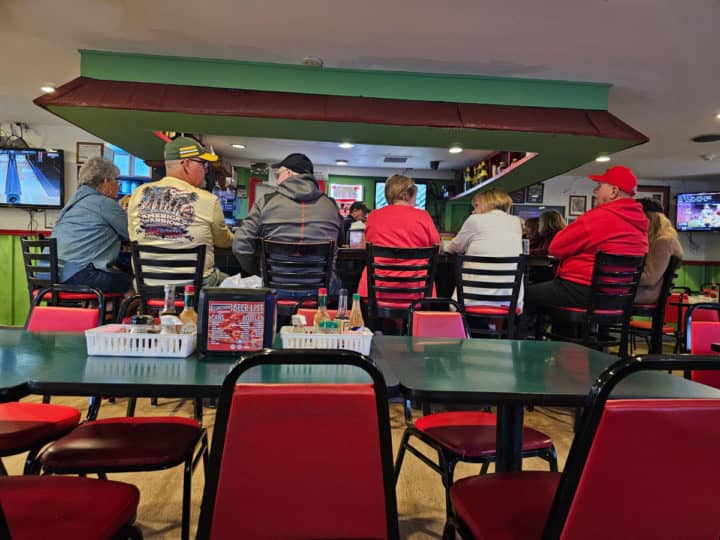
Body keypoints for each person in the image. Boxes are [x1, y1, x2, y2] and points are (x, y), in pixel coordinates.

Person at [523, 165, 649, 330]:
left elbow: (555, 248)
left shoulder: (598, 217)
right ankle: (572, 347)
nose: (594, 192)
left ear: (613, 191)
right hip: (619, 298)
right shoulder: (640, 224)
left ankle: (522, 350)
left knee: (524, 295)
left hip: (582, 291)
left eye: (599, 187)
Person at [127, 137, 233, 287]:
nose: (206, 169)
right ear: (186, 164)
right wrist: (240, 238)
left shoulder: (137, 194)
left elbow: (133, 236)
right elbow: (223, 241)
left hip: (147, 285)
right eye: (203, 163)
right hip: (194, 287)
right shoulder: (208, 200)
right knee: (234, 285)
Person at [232, 152, 343, 295]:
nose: (277, 181)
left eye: (278, 175)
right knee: (342, 284)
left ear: (289, 173)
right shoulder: (331, 205)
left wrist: (262, 272)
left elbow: (240, 246)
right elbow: (340, 240)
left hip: (275, 289)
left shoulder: (266, 202)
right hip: (319, 292)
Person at [51, 156, 132, 293]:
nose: (119, 186)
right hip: (75, 276)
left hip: (48, 275)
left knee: (110, 274)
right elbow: (133, 234)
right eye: (117, 181)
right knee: (131, 283)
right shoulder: (104, 203)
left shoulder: (72, 203)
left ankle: (98, 312)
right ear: (106, 182)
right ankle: (107, 314)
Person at [356, 174, 440, 297]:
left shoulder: (373, 216)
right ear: (406, 195)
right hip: (417, 292)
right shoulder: (423, 216)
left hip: (377, 291)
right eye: (414, 197)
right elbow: (437, 248)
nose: (415, 201)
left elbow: (364, 247)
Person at [446, 189, 524, 309]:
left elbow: (453, 248)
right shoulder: (516, 222)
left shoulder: (475, 219)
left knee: (448, 289)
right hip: (509, 300)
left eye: (476, 206)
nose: (473, 210)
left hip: (472, 297)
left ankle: (461, 327)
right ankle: (492, 327)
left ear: (486, 203)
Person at [634, 198, 683, 304]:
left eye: (636, 216)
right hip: (645, 292)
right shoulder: (665, 239)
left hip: (646, 294)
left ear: (650, 217)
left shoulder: (664, 241)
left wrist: (623, 277)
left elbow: (649, 278)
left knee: (599, 294)